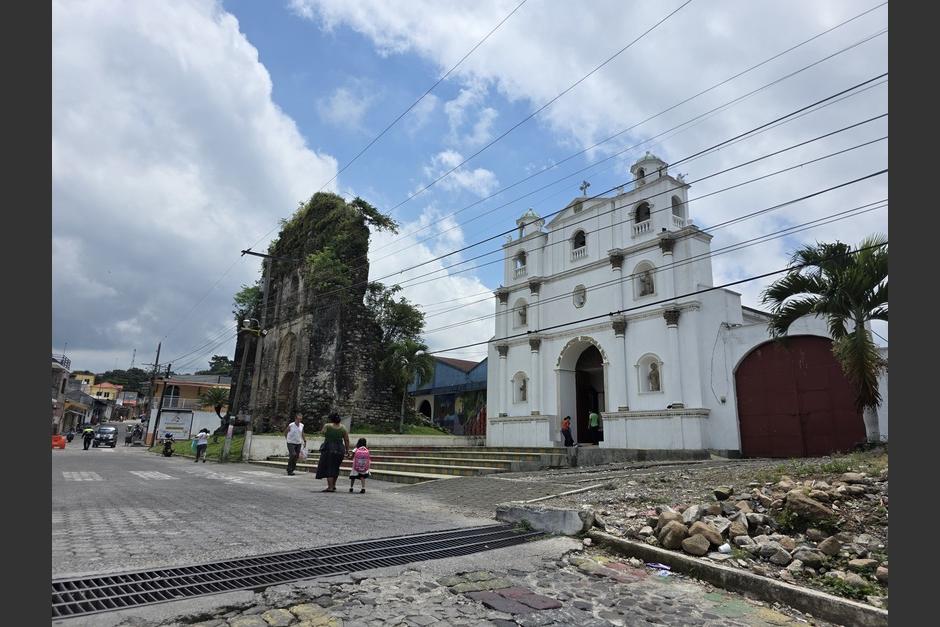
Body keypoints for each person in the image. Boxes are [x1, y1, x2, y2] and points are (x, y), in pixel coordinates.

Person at [315, 413, 349, 492]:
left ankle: (330, 487)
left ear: (331, 420)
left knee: (329, 467)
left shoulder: (327, 426)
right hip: (340, 449)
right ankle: (333, 485)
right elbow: (346, 440)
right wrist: (347, 450)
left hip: (329, 448)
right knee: (335, 467)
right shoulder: (343, 428)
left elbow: (322, 432)